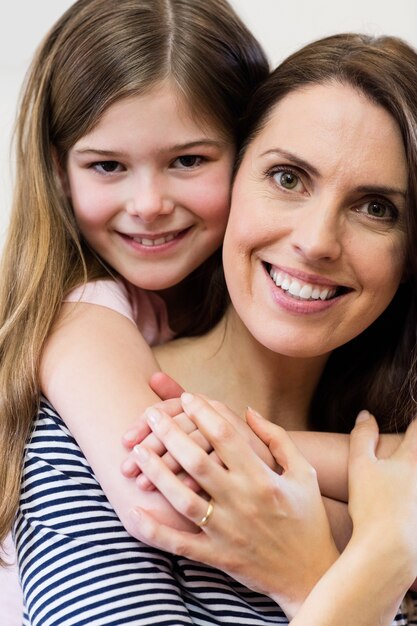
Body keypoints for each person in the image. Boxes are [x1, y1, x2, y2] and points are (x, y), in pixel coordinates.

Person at [11, 30, 417, 625]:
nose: (316, 240)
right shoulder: (98, 434)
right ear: (233, 183)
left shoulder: (396, 477)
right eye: (287, 178)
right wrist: (380, 559)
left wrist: (309, 577)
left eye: (376, 208)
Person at [0, 0, 269, 623]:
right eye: (108, 166)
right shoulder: (82, 314)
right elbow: (168, 496)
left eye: (188, 161)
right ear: (59, 174)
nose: (148, 203)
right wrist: (383, 509)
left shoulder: (200, 317)